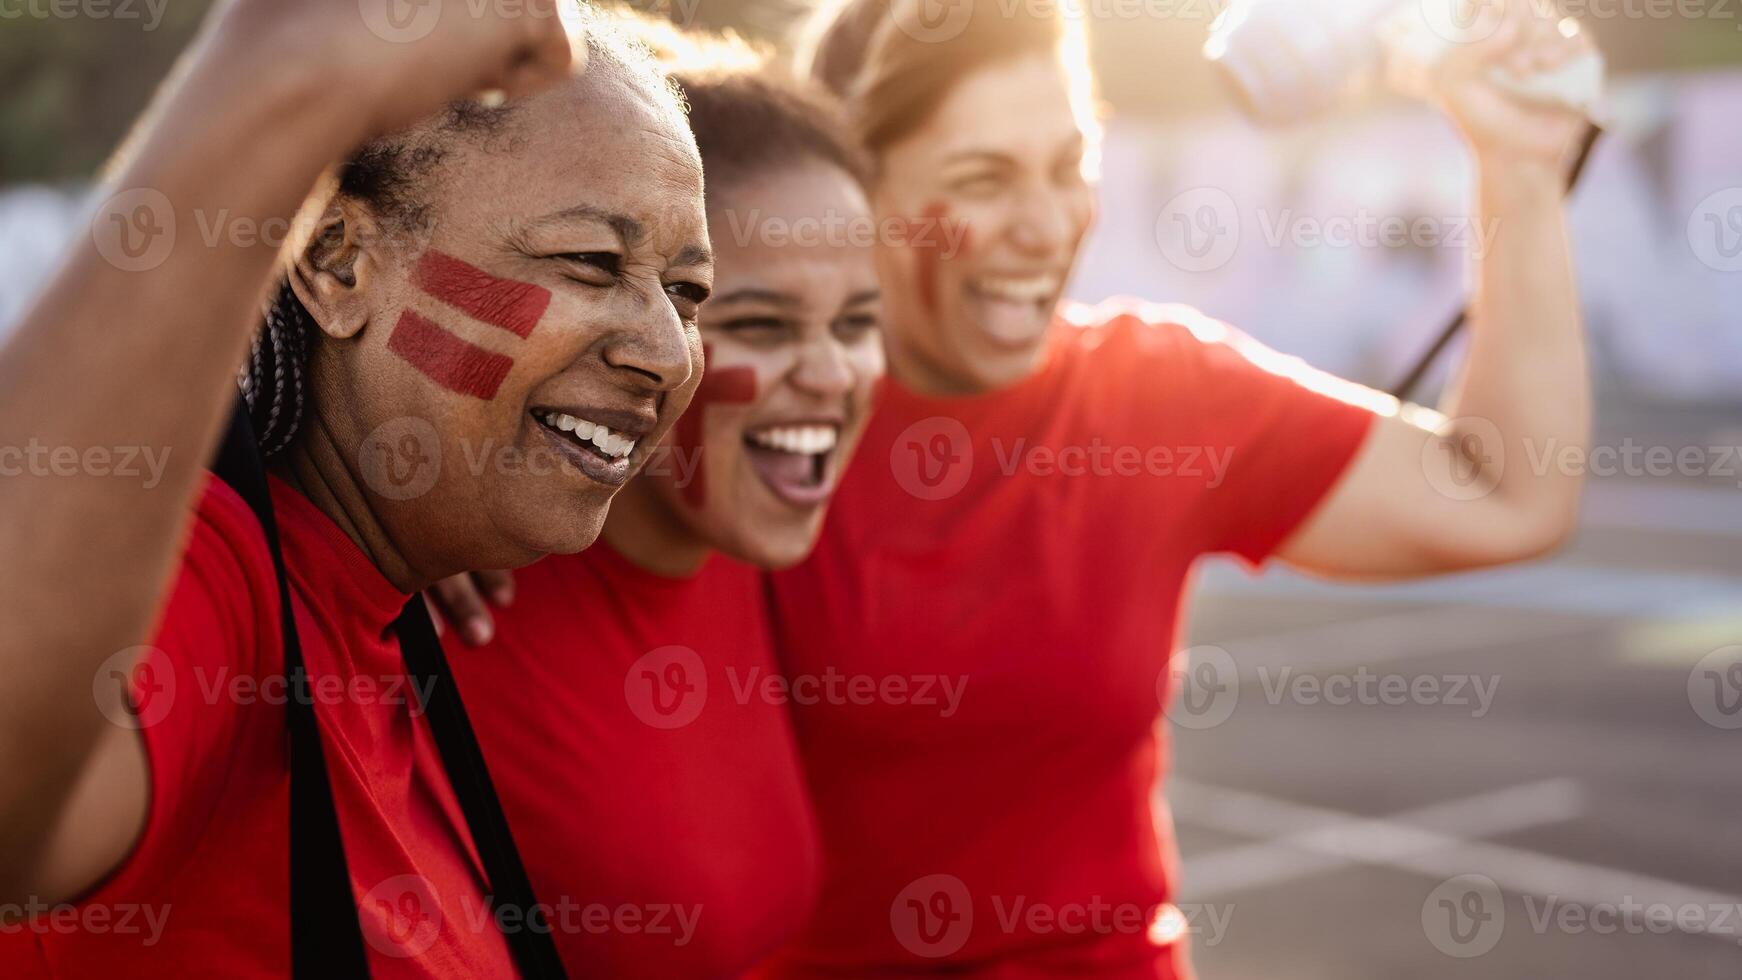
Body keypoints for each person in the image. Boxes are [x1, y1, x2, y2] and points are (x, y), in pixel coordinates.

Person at [753, 0, 1595, 974]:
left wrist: (1520, 170)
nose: (1041, 225)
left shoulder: (1151, 399)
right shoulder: (741, 419)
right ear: (857, 195)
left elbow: (1506, 493)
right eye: (980, 179)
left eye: (1068, 167)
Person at [0, 1, 713, 974]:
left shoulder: (398, 601)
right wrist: (277, 75)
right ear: (338, 261)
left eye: (687, 290)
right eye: (591, 260)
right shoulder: (211, 587)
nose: (666, 351)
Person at [431, 40, 885, 976]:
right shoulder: (449, 593)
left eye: (858, 322)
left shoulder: (753, 529)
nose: (834, 375)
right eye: (758, 324)